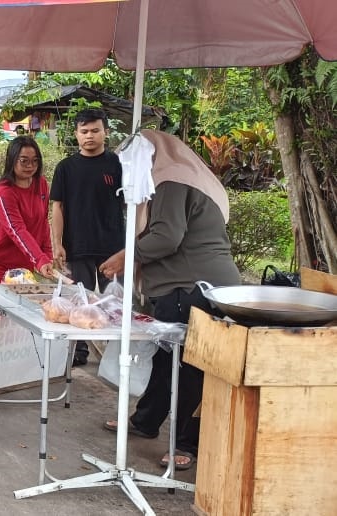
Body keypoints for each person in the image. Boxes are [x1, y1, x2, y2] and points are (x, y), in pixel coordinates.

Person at [98, 128, 240, 472]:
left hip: (194, 287)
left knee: (189, 368)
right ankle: (147, 420)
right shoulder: (173, 177)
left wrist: (125, 256)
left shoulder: (172, 180)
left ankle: (186, 444)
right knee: (166, 360)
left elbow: (167, 236)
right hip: (180, 287)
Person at [49, 108, 124, 366]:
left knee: (114, 302)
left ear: (106, 132)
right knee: (78, 301)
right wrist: (57, 243)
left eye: (95, 130)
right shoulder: (65, 168)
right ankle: (77, 351)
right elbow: (57, 207)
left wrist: (130, 250)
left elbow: (132, 206)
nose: (89, 136)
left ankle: (115, 356)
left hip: (113, 247)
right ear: (76, 134)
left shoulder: (118, 165)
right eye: (84, 131)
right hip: (76, 245)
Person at [0, 136, 53, 305]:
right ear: (12, 160)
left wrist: (47, 255)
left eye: (34, 161)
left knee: (25, 313)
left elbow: (43, 222)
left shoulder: (42, 184)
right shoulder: (2, 193)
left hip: (24, 261)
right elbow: (16, 229)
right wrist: (39, 259)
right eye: (24, 161)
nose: (30, 166)